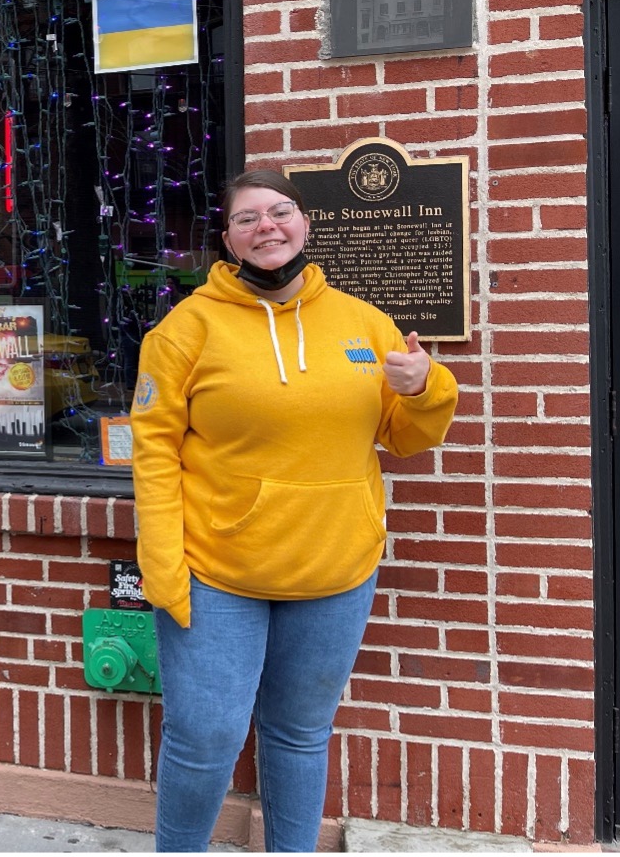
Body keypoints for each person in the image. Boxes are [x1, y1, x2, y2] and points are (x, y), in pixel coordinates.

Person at [130, 169, 458, 853]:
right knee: (206, 733)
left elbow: (404, 435)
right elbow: (154, 453)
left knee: (301, 732)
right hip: (218, 572)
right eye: (248, 218)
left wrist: (425, 387)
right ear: (229, 240)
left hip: (335, 570)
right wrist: (163, 565)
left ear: (305, 223)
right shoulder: (185, 329)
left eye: (280, 212)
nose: (267, 227)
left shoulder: (364, 322)